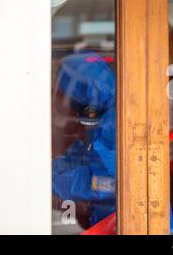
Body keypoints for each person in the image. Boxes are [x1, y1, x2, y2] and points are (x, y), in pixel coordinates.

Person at [52, 52, 116, 227]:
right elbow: (78, 158)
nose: (54, 102)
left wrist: (48, 181)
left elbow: (104, 183)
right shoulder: (95, 123)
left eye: (60, 96)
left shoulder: (115, 127)